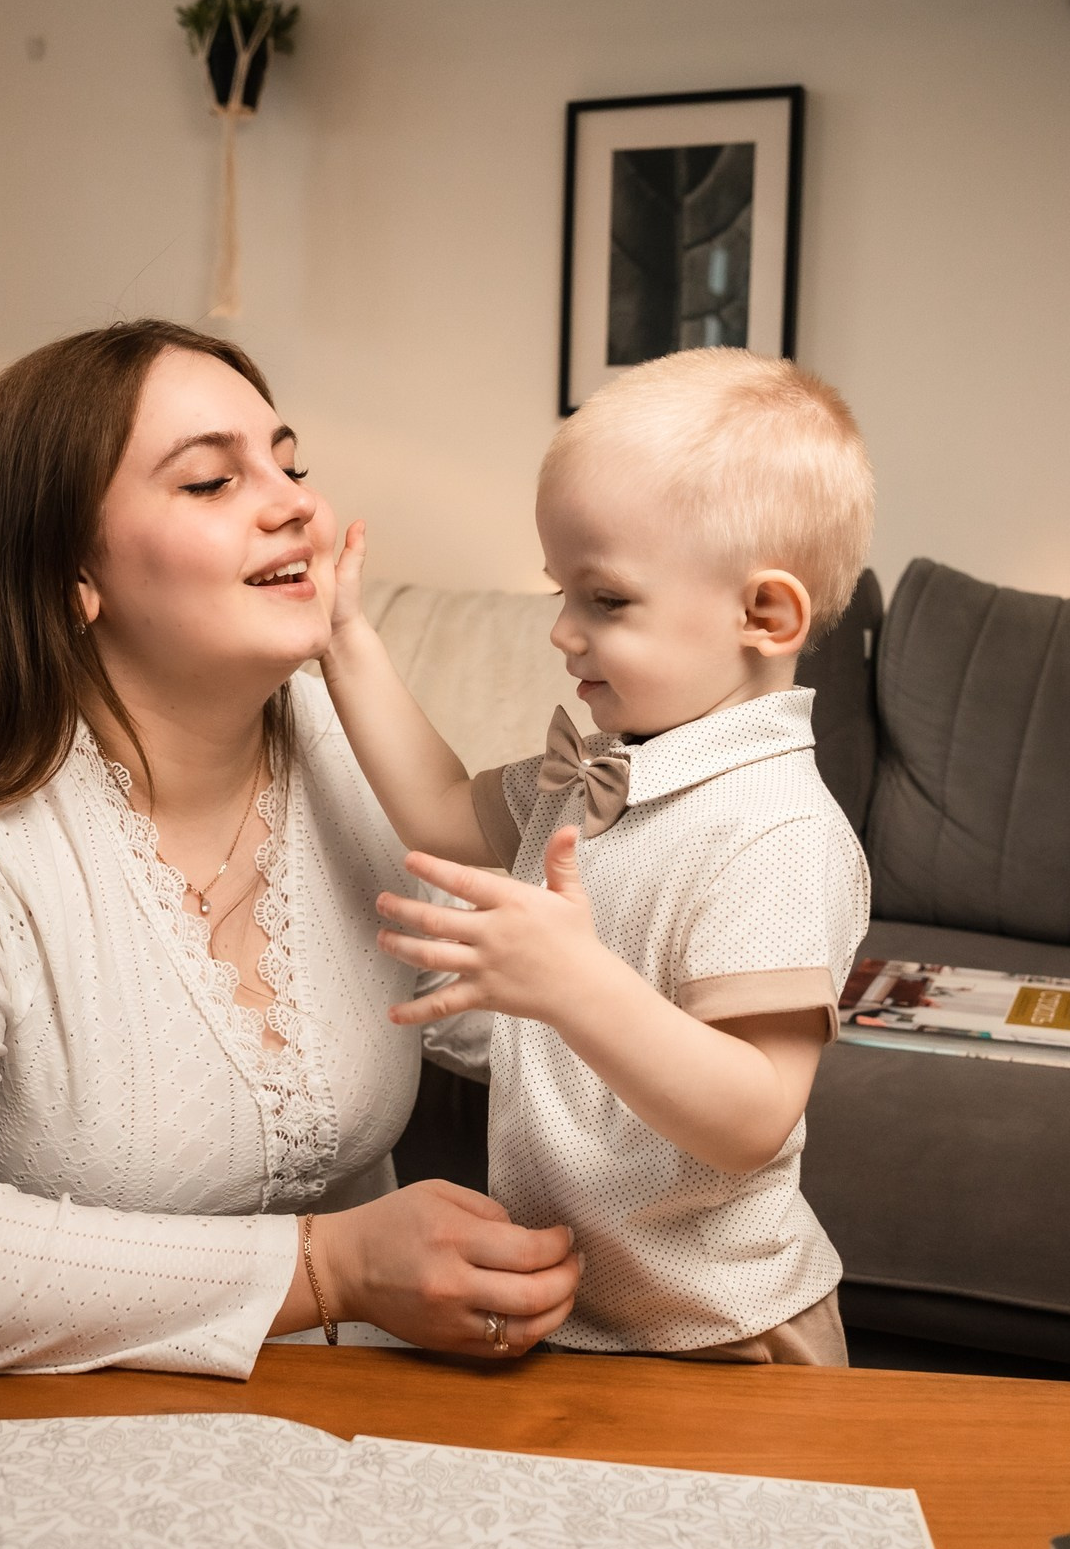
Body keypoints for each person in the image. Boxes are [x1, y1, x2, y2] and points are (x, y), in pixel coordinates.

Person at [0, 320, 581, 1373]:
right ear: (69, 575)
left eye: (289, 461)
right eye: (209, 482)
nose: (295, 502)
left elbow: (514, 1020)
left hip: (332, 1411)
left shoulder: (332, 743)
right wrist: (332, 1267)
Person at [320, 347, 874, 1364]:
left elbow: (753, 1113)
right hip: (576, 1321)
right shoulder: (598, 770)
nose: (562, 632)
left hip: (725, 1334)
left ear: (765, 615)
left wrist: (576, 983)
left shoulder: (772, 827)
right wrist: (344, 642)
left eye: (605, 599)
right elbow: (444, 815)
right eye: (559, 592)